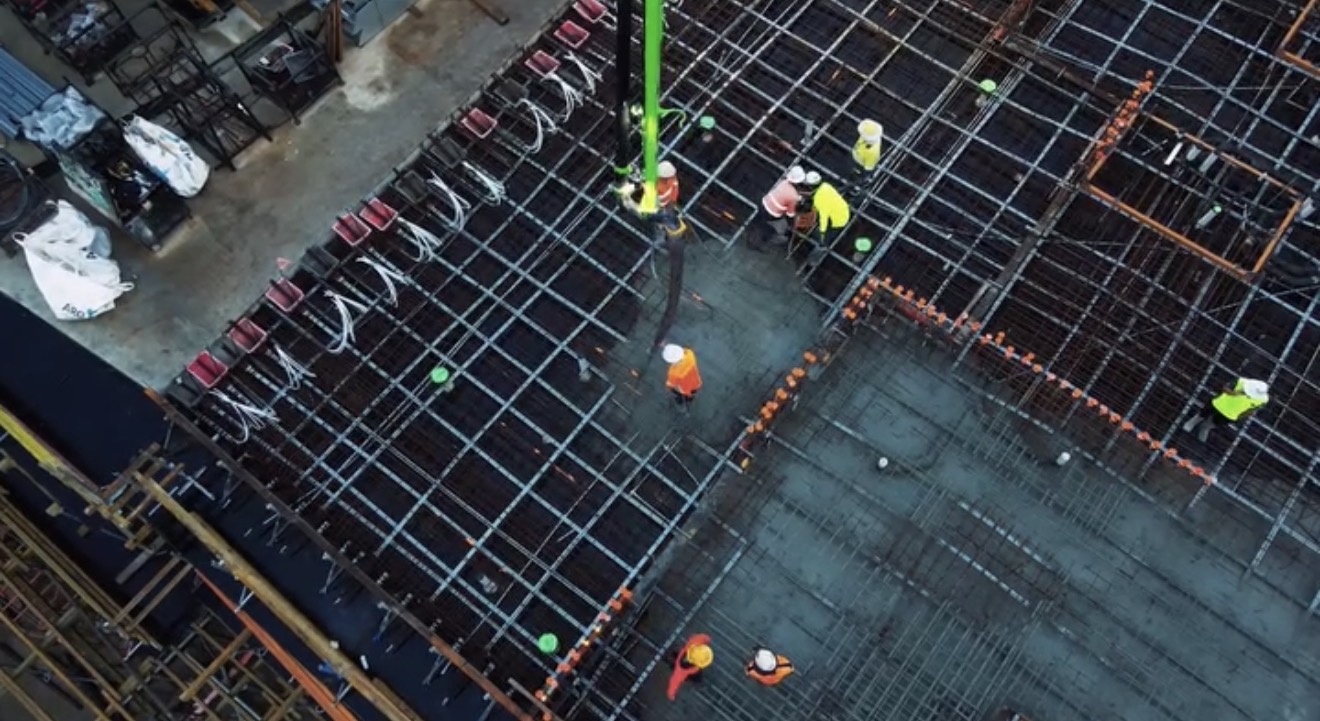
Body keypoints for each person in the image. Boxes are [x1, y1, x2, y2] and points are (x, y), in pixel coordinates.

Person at [1181, 377, 1269, 442]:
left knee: (1207, 427)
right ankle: (1183, 434)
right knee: (1199, 417)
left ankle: (1197, 443)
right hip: (1217, 404)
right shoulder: (1241, 381)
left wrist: (1239, 417)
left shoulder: (1263, 400)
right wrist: (1232, 393)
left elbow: (1251, 411)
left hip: (1229, 415)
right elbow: (1224, 387)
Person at [759, 165, 806, 246]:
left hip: (763, 203)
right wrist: (792, 225)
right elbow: (790, 214)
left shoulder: (783, 182)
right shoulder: (793, 196)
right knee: (783, 228)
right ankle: (765, 241)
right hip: (772, 214)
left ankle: (761, 236)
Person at [666, 634, 713, 700]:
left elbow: (698, 638)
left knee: (677, 657)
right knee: (696, 677)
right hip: (688, 671)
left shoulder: (692, 645)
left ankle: (672, 656)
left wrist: (706, 638)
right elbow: (674, 683)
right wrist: (671, 694)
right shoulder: (682, 672)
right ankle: (699, 682)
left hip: (681, 659)